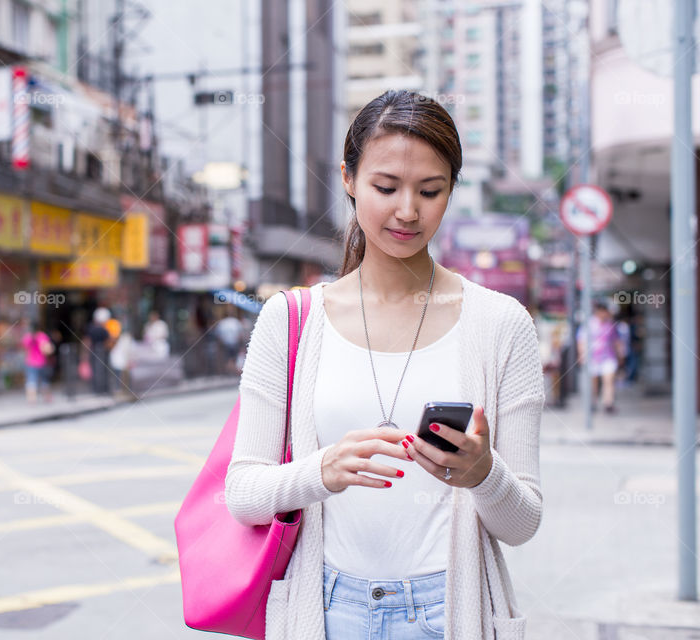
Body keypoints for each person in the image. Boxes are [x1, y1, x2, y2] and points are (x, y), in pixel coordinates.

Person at [224, 91, 544, 640]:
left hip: (450, 610)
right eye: (385, 187)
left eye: (430, 191)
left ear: (451, 191)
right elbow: (243, 494)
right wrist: (318, 472)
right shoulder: (289, 319)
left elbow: (522, 524)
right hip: (323, 609)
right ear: (347, 178)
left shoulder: (501, 324)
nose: (407, 211)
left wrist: (482, 474)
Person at [577, 302, 623, 413]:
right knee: (594, 382)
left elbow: (616, 341)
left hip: (608, 357)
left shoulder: (610, 325)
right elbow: (581, 340)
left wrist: (620, 355)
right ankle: (593, 402)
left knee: (609, 381)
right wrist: (582, 355)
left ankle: (608, 403)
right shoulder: (589, 324)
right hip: (593, 358)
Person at [21, 320, 53, 403]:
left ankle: (32, 399)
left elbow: (24, 347)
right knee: (44, 381)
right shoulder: (42, 336)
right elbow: (47, 349)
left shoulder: (27, 337)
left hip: (31, 362)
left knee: (31, 381)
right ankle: (47, 398)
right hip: (41, 362)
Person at [87, 307, 112, 394]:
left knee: (96, 371)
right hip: (102, 351)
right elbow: (108, 342)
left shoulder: (91, 328)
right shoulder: (104, 330)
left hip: (94, 350)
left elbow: (88, 341)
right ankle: (103, 389)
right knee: (102, 370)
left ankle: (97, 389)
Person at [215, 309, 244, 374]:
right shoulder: (236, 321)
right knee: (235, 358)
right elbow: (240, 335)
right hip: (235, 343)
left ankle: (230, 371)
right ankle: (235, 371)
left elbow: (219, 336)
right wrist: (241, 344)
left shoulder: (221, 323)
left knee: (228, 359)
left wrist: (220, 344)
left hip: (226, 343)